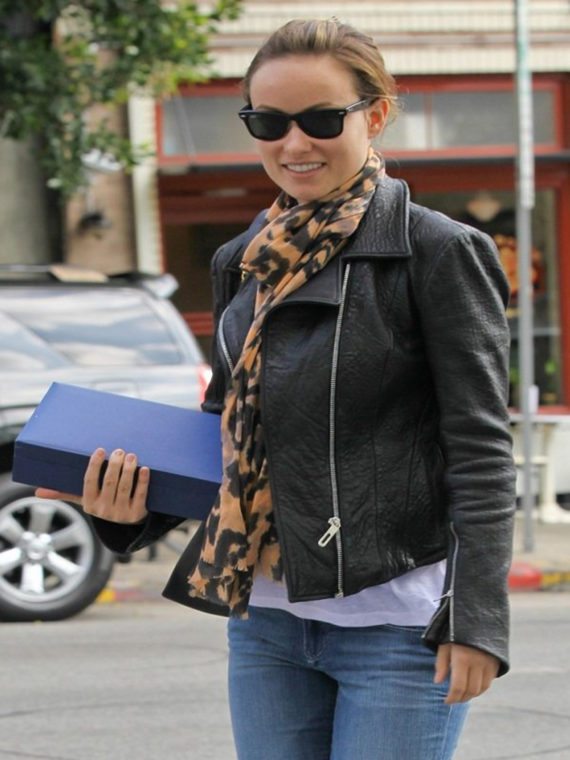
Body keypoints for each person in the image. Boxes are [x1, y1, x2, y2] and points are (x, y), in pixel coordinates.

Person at [37, 18, 516, 760]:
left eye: (321, 119)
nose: (294, 144)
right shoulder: (243, 259)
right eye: (269, 122)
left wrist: (476, 617)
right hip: (265, 620)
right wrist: (125, 512)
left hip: (398, 625)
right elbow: (224, 431)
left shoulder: (437, 251)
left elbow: (481, 448)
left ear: (375, 115)